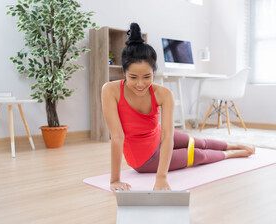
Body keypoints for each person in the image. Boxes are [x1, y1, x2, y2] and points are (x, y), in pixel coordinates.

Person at [101, 23, 255, 192]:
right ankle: (230, 154)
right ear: (124, 73)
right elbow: (117, 136)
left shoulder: (164, 94)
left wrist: (162, 177)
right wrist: (115, 179)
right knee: (198, 154)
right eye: (133, 77)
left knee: (198, 141)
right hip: (144, 158)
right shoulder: (110, 90)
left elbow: (167, 136)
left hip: (157, 136)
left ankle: (230, 144)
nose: (140, 84)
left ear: (154, 72)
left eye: (147, 77)